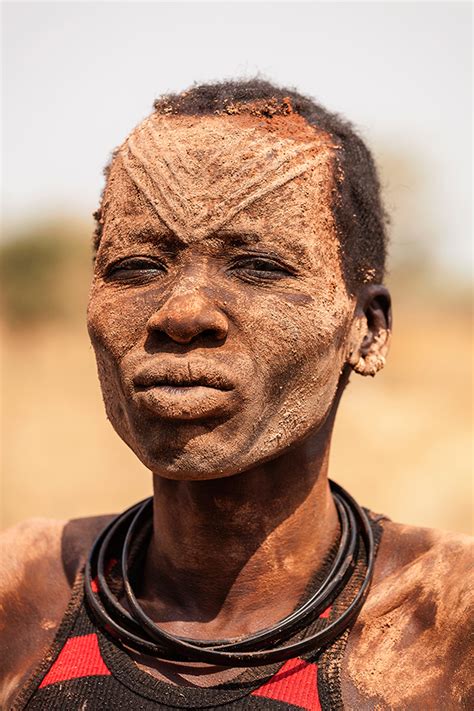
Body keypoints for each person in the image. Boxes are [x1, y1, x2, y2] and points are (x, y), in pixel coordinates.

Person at [1, 80, 472, 711]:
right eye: (136, 267)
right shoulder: (25, 594)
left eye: (258, 267)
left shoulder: (448, 628)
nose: (182, 312)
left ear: (368, 329)